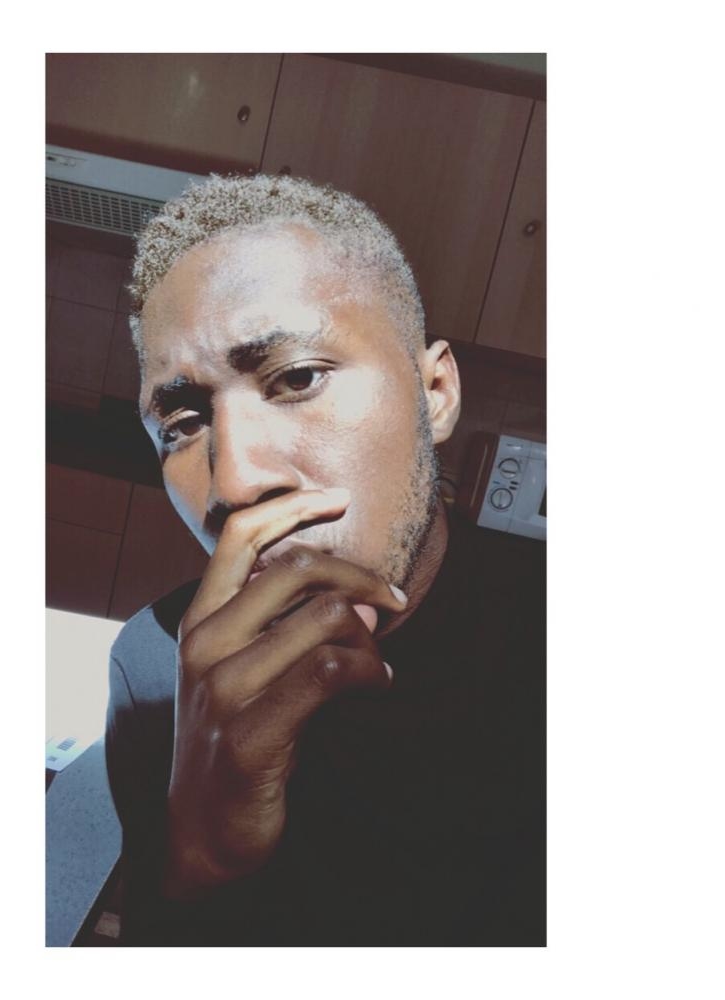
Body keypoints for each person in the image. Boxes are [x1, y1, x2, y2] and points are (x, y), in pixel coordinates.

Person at [105, 174, 545, 946]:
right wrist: (203, 855)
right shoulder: (155, 669)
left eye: (298, 378)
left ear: (435, 393)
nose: (237, 484)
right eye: (183, 424)